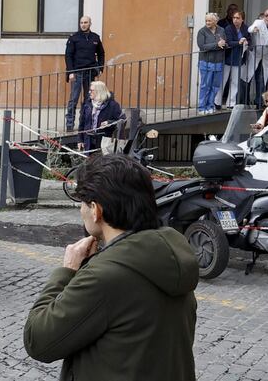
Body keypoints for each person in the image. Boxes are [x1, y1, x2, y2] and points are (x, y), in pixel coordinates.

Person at [24, 154, 198, 381]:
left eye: (83, 204)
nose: (81, 211)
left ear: (96, 210)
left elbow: (37, 340)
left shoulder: (104, 277)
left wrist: (67, 271)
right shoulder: (172, 254)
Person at [65, 16, 105, 132]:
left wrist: (100, 68)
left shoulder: (95, 37)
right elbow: (68, 56)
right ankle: (69, 125)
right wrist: (71, 72)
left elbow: (101, 53)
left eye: (85, 22)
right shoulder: (74, 38)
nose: (83, 24)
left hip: (90, 73)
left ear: (90, 24)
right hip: (77, 73)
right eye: (81, 22)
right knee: (73, 99)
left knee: (88, 100)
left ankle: (85, 124)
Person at [243, 9, 268, 107]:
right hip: (255, 54)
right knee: (247, 77)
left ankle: (260, 102)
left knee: (265, 78)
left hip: (267, 54)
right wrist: (254, 29)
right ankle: (244, 101)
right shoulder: (259, 22)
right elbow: (250, 29)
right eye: (266, 15)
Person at [77, 81, 122, 154]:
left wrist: (109, 123)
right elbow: (82, 123)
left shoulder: (112, 105)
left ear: (99, 91)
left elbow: (121, 120)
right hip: (88, 140)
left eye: (91, 90)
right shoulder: (87, 104)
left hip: (104, 141)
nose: (89, 92)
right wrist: (80, 140)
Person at [215, 10, 249, 109]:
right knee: (223, 80)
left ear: (242, 19)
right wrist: (239, 42)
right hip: (228, 58)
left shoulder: (246, 28)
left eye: (238, 18)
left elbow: (250, 40)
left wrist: (246, 42)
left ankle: (231, 103)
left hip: (239, 59)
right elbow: (229, 42)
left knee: (235, 82)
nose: (235, 20)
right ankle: (217, 102)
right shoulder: (229, 28)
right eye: (234, 18)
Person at [196, 13, 226, 114]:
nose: (207, 23)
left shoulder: (221, 30)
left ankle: (210, 105)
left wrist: (224, 44)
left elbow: (224, 43)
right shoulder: (202, 31)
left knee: (215, 86)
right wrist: (216, 45)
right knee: (205, 85)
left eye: (210, 21)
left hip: (218, 61)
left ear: (215, 21)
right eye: (206, 21)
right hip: (206, 62)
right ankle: (201, 107)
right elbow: (202, 46)